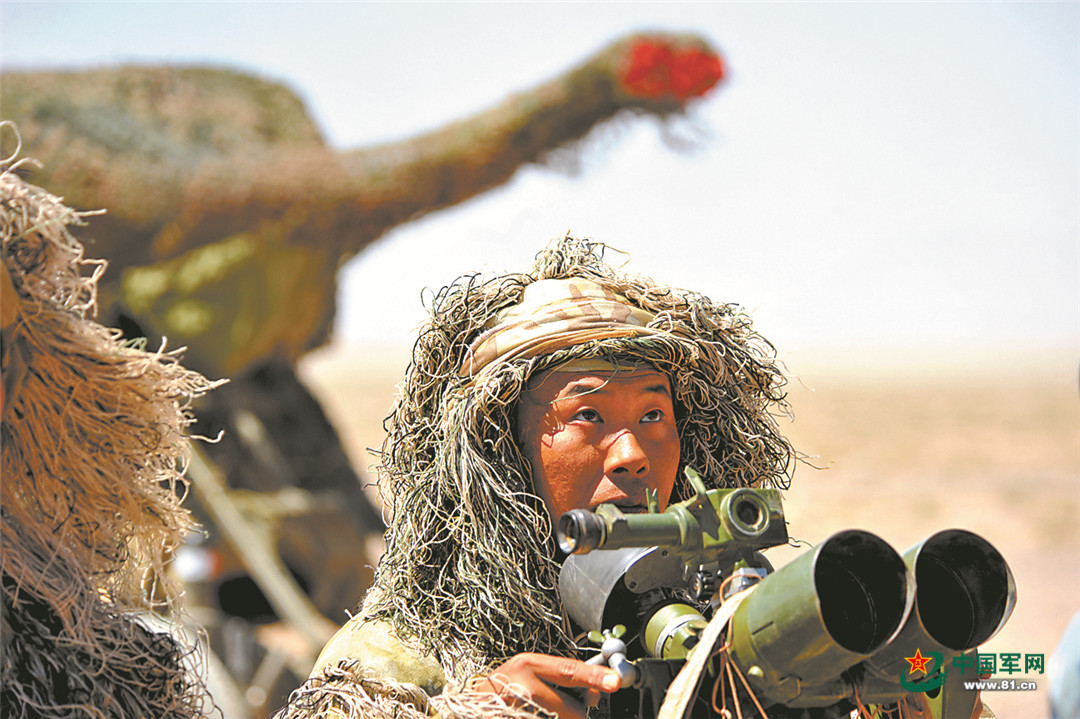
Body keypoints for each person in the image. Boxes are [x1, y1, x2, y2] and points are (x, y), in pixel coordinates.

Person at [274, 236, 984, 719]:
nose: (632, 454)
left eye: (653, 414)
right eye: (587, 415)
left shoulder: (744, 625)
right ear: (501, 451)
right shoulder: (400, 655)